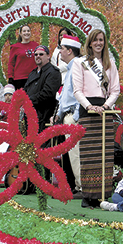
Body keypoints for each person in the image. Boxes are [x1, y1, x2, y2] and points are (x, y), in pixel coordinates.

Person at [72, 29, 120, 208]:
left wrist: (106, 106)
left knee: (104, 155)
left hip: (105, 110)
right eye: (95, 40)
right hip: (88, 110)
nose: (99, 43)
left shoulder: (110, 63)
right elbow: (77, 90)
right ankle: (88, 195)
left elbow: (115, 90)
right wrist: (90, 106)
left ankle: (103, 194)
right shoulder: (80, 63)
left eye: (101, 40)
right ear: (90, 43)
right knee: (88, 154)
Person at [50, 34, 82, 198]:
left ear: (70, 50)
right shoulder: (72, 67)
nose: (59, 52)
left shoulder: (77, 65)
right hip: (67, 115)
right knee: (71, 154)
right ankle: (77, 185)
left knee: (76, 153)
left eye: (61, 48)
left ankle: (82, 186)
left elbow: (79, 92)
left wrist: (75, 115)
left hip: (73, 117)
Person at [24, 45, 61, 133]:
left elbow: (47, 93)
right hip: (30, 116)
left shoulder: (53, 72)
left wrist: (29, 100)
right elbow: (25, 90)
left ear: (48, 56)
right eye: (36, 54)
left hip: (45, 116)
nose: (38, 56)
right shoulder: (32, 73)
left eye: (41, 54)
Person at [8, 25, 39, 90]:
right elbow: (11, 63)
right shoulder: (15, 47)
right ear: (20, 34)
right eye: (24, 31)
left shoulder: (36, 45)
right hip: (20, 78)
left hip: (34, 77)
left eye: (28, 31)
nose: (26, 33)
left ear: (30, 33)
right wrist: (10, 77)